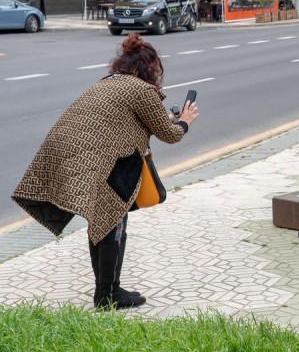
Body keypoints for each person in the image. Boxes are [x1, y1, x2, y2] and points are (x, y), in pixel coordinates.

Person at [11, 33, 199, 310]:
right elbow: (170, 135)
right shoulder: (141, 90)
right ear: (151, 68)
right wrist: (185, 120)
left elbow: (133, 120)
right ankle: (106, 295)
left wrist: (167, 119)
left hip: (72, 154)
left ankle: (109, 289)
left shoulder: (108, 82)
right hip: (102, 161)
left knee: (103, 221)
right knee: (112, 219)